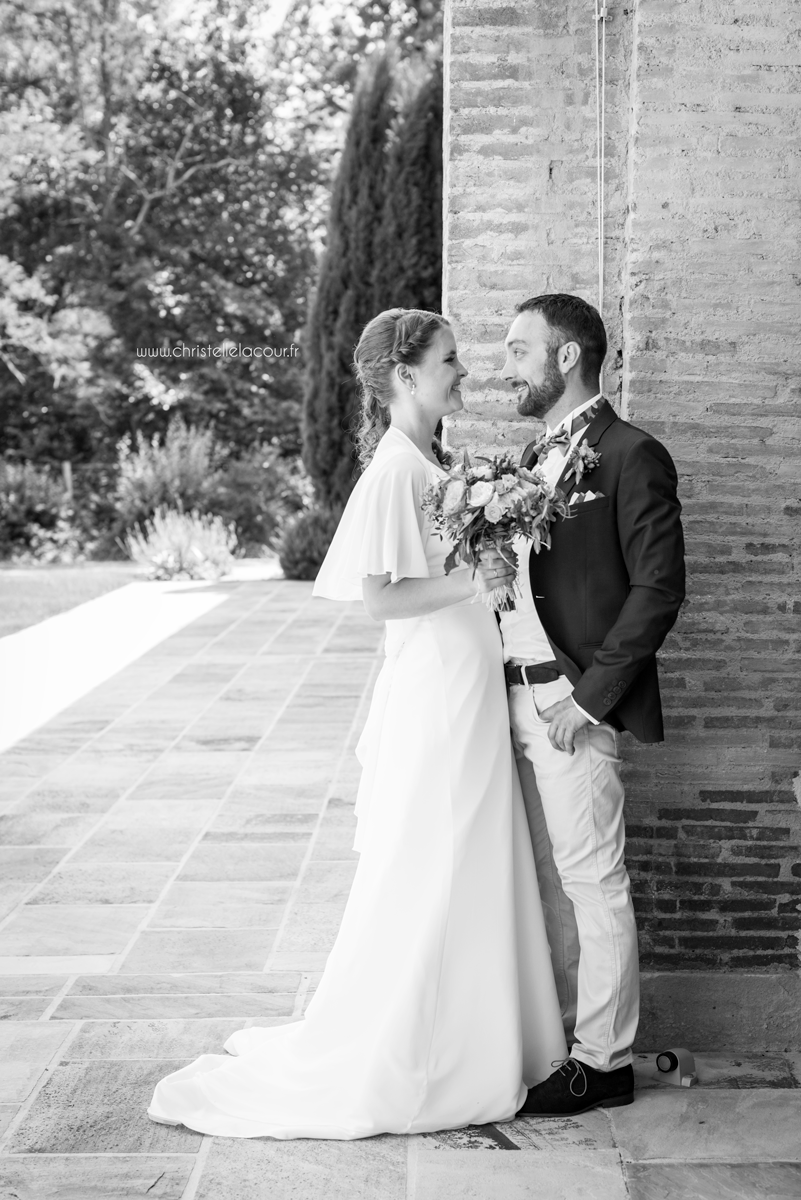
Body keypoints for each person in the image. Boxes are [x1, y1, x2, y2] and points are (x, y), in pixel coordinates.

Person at [147, 307, 566, 1139]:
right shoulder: (394, 470)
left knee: (469, 850)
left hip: (463, 678)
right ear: (406, 376)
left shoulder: (431, 460)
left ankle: (481, 1034)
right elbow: (379, 598)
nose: (464, 374)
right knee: (440, 856)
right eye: (450, 361)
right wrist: (473, 582)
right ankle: (426, 1048)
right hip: (438, 689)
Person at [499, 293, 686, 1117]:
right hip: (509, 700)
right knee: (544, 884)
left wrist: (588, 699)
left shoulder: (630, 454)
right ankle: (565, 1038)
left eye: (517, 350)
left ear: (566, 356)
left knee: (592, 881)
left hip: (572, 708)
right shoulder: (525, 459)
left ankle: (603, 1062)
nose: (507, 365)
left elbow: (658, 589)